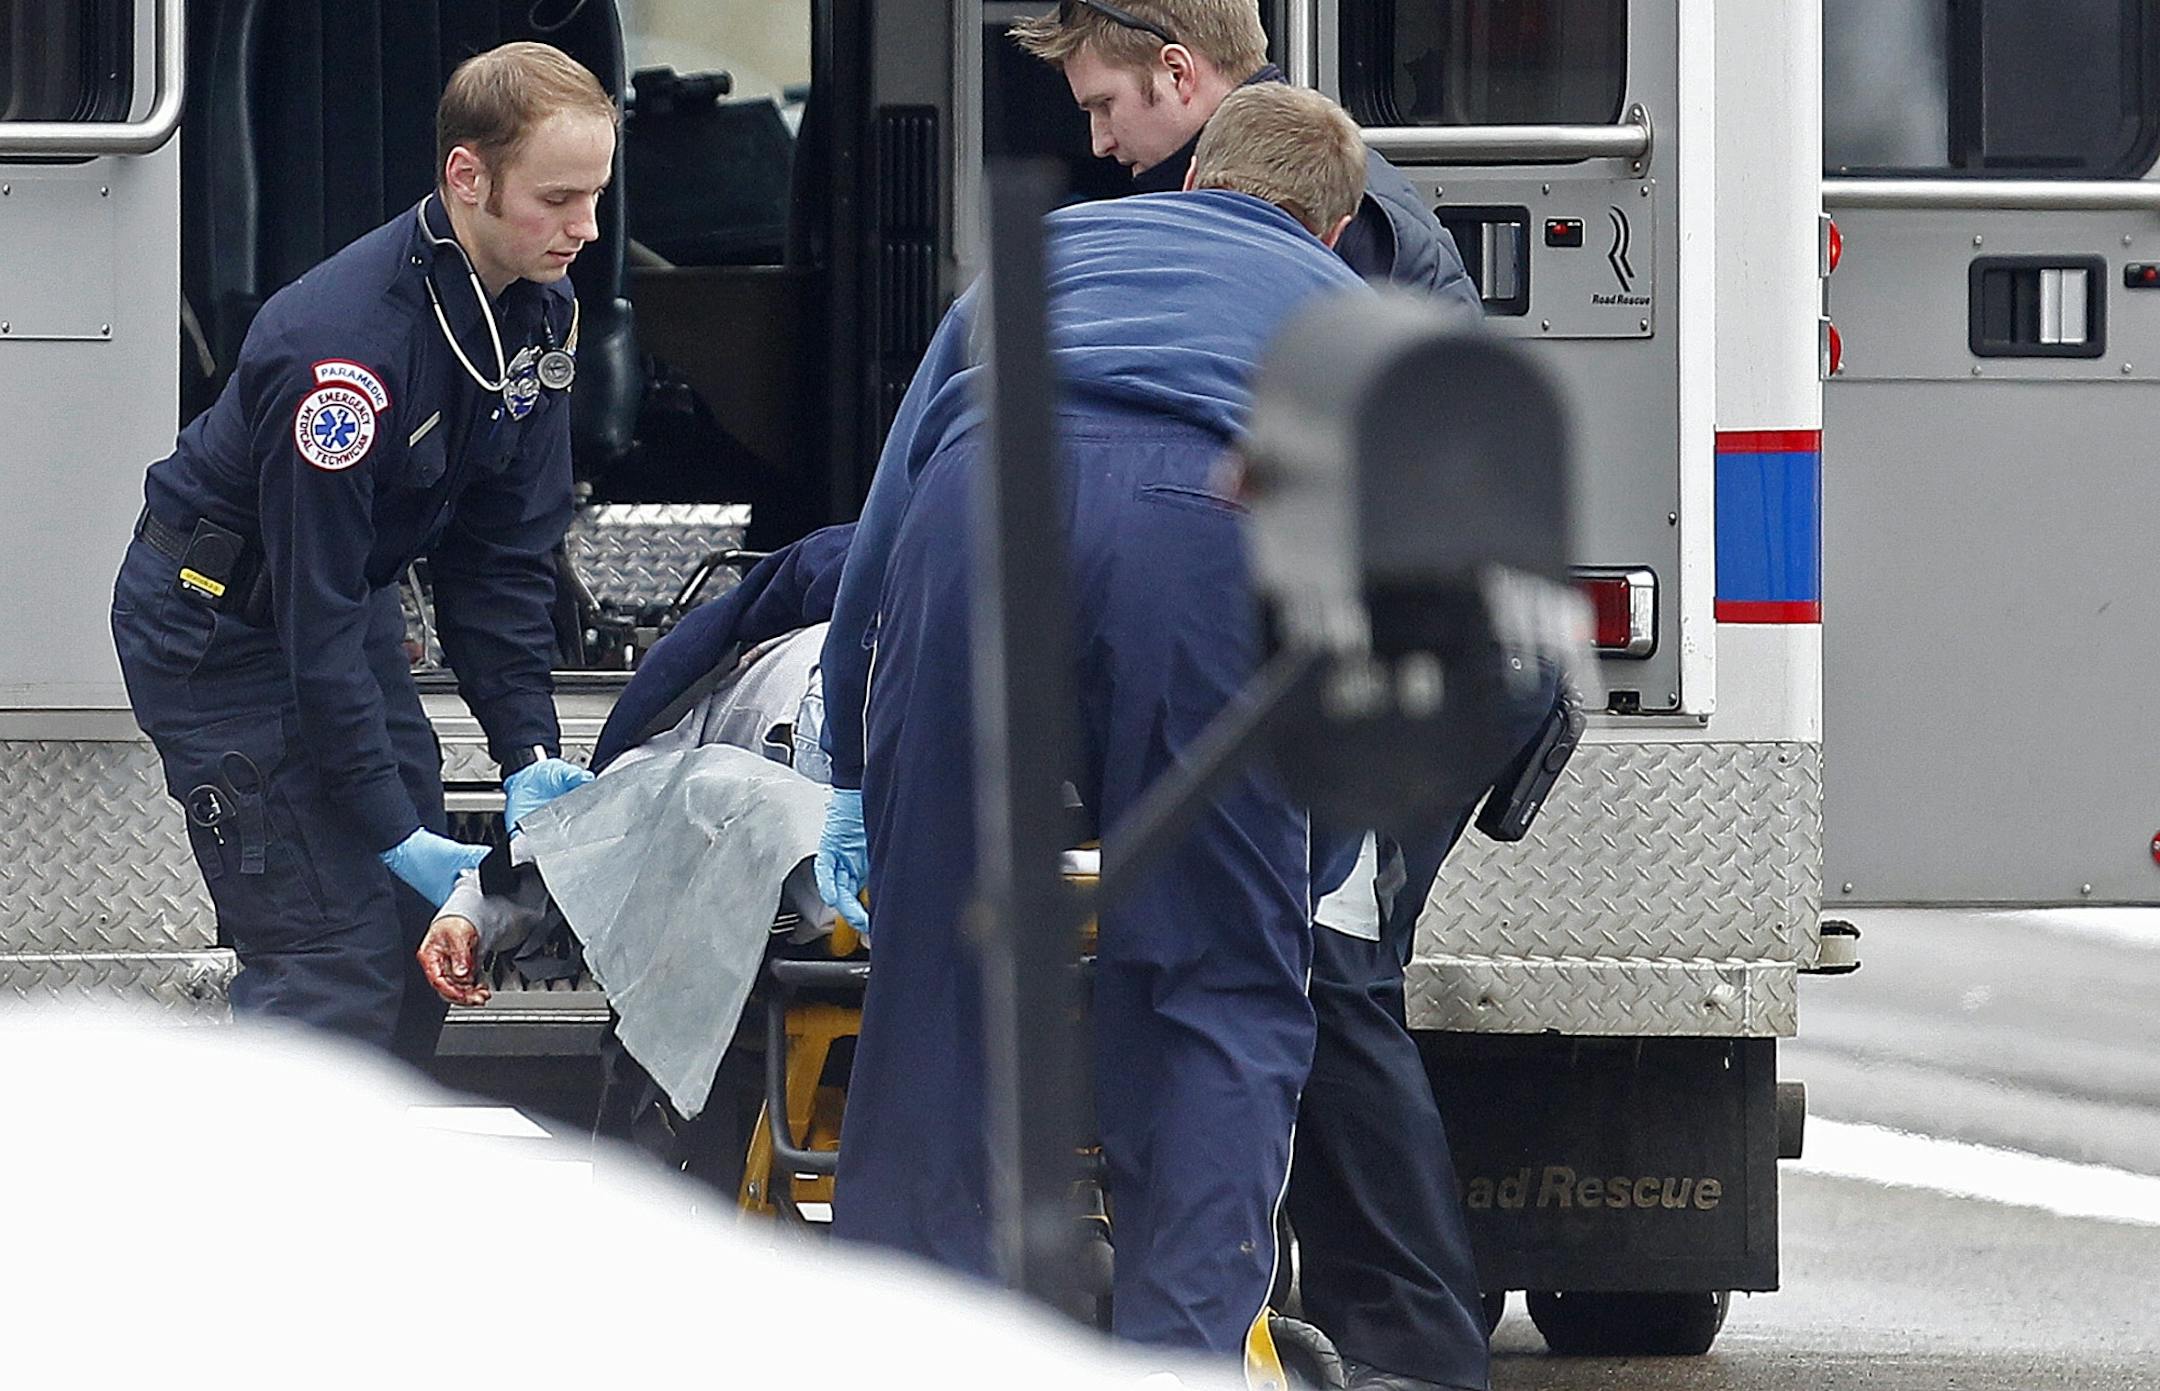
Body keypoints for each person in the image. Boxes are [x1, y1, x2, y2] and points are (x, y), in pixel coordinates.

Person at [1010, 6, 1521, 1388]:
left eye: (1111, 106)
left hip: (1390, 649)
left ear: (1185, 76)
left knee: (1322, 975)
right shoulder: (1286, 186)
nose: (1103, 145)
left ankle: (1418, 1351)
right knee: (1305, 973)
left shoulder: (1303, 215)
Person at [815, 85, 1368, 1357]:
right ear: (1330, 231)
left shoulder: (1047, 252)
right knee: (1217, 988)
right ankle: (1175, 1355)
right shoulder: (1347, 315)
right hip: (1203, 530)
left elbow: (881, 535)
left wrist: (853, 763)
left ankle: (915, 1351)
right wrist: (1309, 860)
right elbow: (1367, 605)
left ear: (1191, 181)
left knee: (935, 967)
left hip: (979, 509)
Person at [109, 42, 614, 1064]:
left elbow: (500, 564)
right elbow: (317, 612)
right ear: (466, 176)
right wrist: (390, 825)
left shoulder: (534, 309)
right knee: (328, 958)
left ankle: (363, 1205)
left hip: (339, 608)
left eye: (597, 195)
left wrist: (528, 751)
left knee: (413, 929)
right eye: (558, 198)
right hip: (223, 625)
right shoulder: (340, 358)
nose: (587, 228)